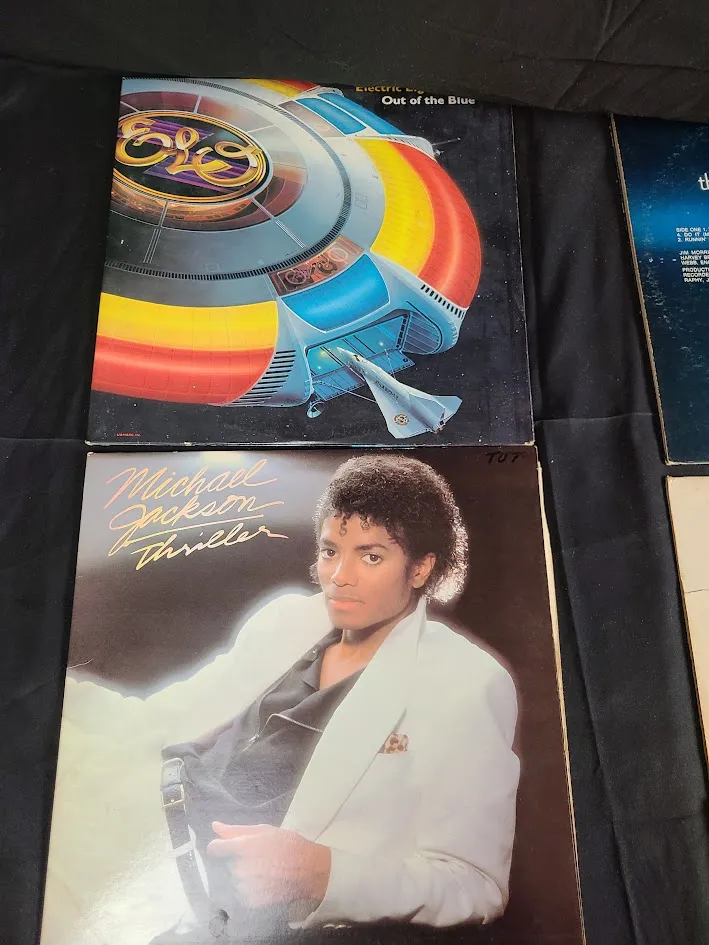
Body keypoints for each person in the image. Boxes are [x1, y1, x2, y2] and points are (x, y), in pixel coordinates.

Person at [41, 455, 519, 945]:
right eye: (330, 551)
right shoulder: (293, 618)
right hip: (128, 813)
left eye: (371, 557)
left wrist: (323, 874)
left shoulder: (467, 681)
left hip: (195, 903)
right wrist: (45, 687)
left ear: (421, 567)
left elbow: (474, 885)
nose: (340, 576)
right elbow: (162, 718)